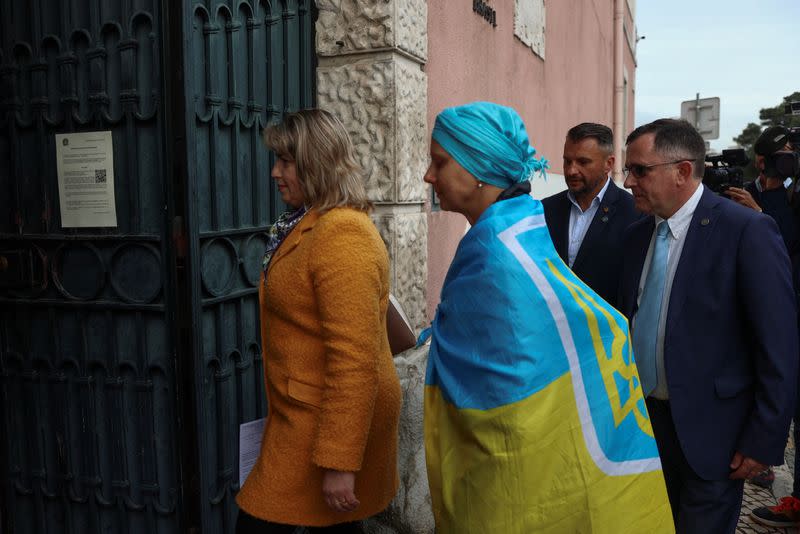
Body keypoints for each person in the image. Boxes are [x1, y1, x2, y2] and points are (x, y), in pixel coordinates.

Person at [423, 102, 673, 534]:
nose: (430, 175)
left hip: (513, 473)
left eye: (440, 162)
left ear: (477, 166)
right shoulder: (519, 225)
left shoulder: (496, 254)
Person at [618, 118, 798, 533]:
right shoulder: (634, 238)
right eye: (628, 170)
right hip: (643, 429)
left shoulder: (746, 231)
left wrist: (764, 440)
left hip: (714, 436)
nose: (628, 181)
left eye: (639, 170)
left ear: (682, 172)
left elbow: (779, 345)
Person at [236, 109, 402, 534]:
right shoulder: (302, 223)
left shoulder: (343, 234)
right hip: (303, 415)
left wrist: (341, 462)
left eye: (286, 161)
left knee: (258, 521)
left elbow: (355, 360)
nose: (275, 172)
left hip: (322, 427)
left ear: (316, 162)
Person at [542, 122, 641, 308]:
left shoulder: (635, 215)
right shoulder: (545, 210)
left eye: (583, 162)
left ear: (608, 164)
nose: (571, 170)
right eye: (567, 161)